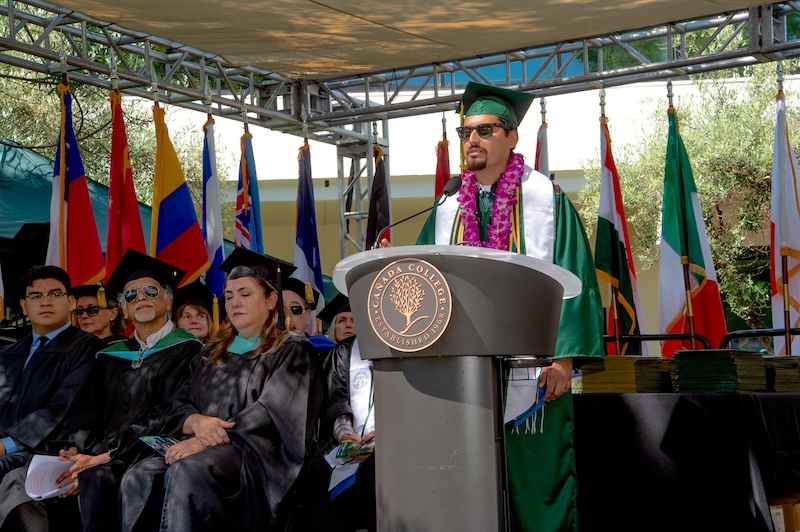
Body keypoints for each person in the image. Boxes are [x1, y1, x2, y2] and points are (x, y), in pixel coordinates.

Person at [410, 81, 605, 532]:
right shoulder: (445, 208)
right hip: (462, 375)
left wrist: (562, 358)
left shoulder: (548, 202)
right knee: (466, 486)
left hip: (535, 377)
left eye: (485, 130)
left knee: (537, 484)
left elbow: (575, 282)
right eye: (466, 133)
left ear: (513, 136)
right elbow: (420, 279)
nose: (472, 141)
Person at [118, 247, 326, 532]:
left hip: (258, 460)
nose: (234, 302)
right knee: (138, 475)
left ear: (271, 300)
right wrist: (195, 421)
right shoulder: (211, 354)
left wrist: (206, 441)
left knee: (187, 470)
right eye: (229, 296)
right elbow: (180, 401)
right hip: (207, 452)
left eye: (245, 294)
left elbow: (271, 413)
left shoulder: (292, 350)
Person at [0, 250, 204, 532]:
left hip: (150, 451)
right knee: (28, 483)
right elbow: (86, 410)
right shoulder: (111, 356)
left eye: (150, 291)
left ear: (168, 299)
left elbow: (171, 413)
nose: (140, 298)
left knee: (96, 477)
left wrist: (105, 456)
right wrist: (75, 448)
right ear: (124, 308)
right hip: (95, 454)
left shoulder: (191, 351)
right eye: (131, 295)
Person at [0, 266, 104, 530]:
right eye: (35, 296)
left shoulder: (87, 348)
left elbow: (62, 408)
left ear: (70, 301)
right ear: (23, 305)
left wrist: (6, 445)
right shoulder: (10, 353)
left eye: (54, 294)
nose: (45, 301)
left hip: (51, 449)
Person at [317, 297, 375, 532]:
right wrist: (345, 434)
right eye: (342, 320)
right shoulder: (344, 351)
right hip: (348, 452)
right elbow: (335, 399)